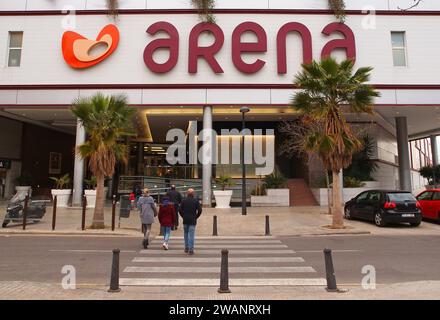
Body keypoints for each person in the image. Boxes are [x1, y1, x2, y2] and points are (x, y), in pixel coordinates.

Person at [179, 188, 202, 255]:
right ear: (193, 193)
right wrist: (196, 217)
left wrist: (183, 216)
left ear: (187, 193)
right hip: (192, 220)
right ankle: (191, 249)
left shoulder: (184, 201)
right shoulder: (195, 201)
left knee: (186, 234)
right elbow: (200, 210)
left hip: (185, 220)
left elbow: (179, 210)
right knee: (191, 235)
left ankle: (186, 247)